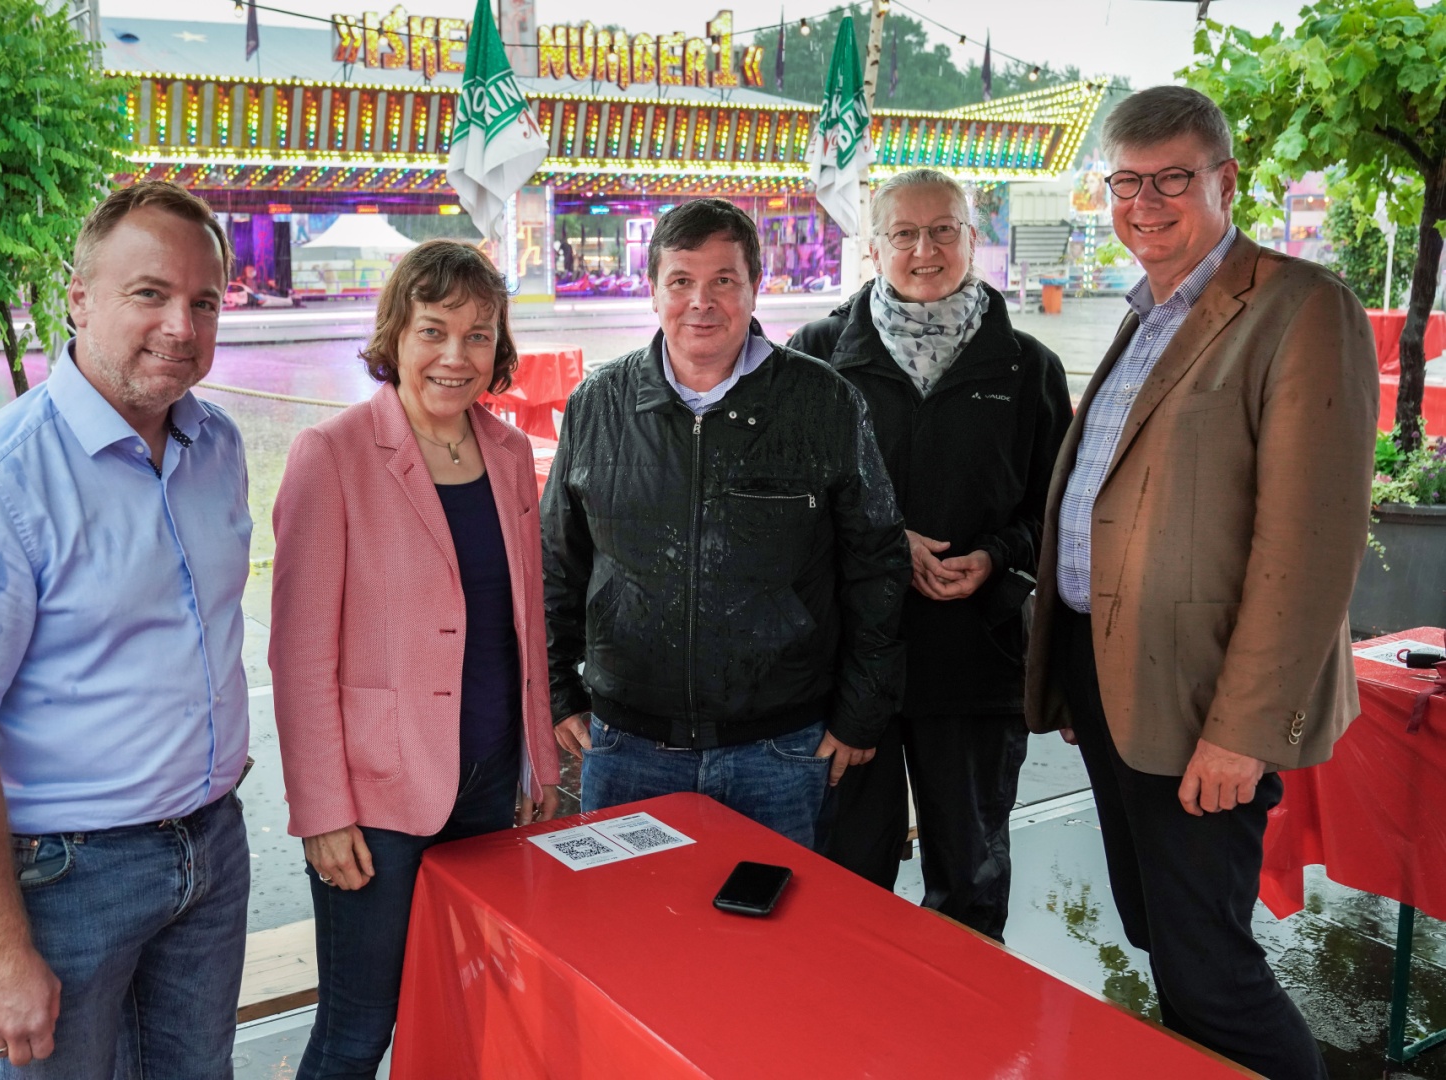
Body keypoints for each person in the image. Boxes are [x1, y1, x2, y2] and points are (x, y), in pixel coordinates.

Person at [1024, 86, 1377, 1079]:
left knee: (1211, 965)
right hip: (1117, 685)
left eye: (1173, 178)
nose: (1146, 201)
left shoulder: (1301, 308)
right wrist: (1075, 670)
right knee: (1159, 936)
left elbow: (1309, 546)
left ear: (1226, 182)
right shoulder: (1146, 313)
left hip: (1203, 707)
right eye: (1127, 181)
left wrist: (1242, 730)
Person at [0, 181, 251, 1075]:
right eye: (150, 294)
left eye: (203, 301)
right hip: (63, 884)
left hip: (210, 850)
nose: (181, 324)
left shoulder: (219, 449)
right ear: (78, 298)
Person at [268, 239, 562, 1078]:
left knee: (467, 1004)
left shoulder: (507, 455)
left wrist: (538, 760)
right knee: (360, 1027)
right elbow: (298, 658)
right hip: (378, 800)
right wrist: (322, 811)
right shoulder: (332, 455)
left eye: (478, 336)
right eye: (434, 331)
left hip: (488, 778)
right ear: (396, 335)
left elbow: (524, 625)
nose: (455, 356)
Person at [541, 197, 909, 849]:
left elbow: (877, 567)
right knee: (629, 940)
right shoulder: (598, 405)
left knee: (769, 939)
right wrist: (557, 693)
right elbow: (556, 565)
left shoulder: (822, 403)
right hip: (627, 748)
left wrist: (860, 716)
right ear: (653, 291)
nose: (700, 302)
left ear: (755, 286)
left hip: (779, 751)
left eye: (723, 281)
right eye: (681, 281)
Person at [789, 169, 1071, 934]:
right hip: (849, 672)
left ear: (973, 239)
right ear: (874, 247)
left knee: (971, 879)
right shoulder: (814, 358)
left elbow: (1056, 515)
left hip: (975, 664)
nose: (925, 249)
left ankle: (965, 1042)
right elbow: (783, 512)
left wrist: (993, 557)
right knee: (847, 879)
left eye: (944, 229)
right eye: (905, 234)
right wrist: (885, 543)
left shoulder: (1028, 368)